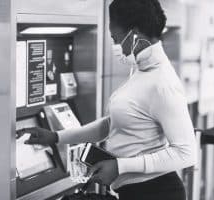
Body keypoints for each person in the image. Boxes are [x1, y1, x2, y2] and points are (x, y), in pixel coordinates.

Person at [18, 0, 197, 199]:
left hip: (158, 193)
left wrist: (120, 166)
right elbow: (112, 124)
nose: (116, 45)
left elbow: (186, 153)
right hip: (134, 192)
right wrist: (57, 137)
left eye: (116, 38)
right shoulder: (142, 71)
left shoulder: (163, 82)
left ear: (134, 35)